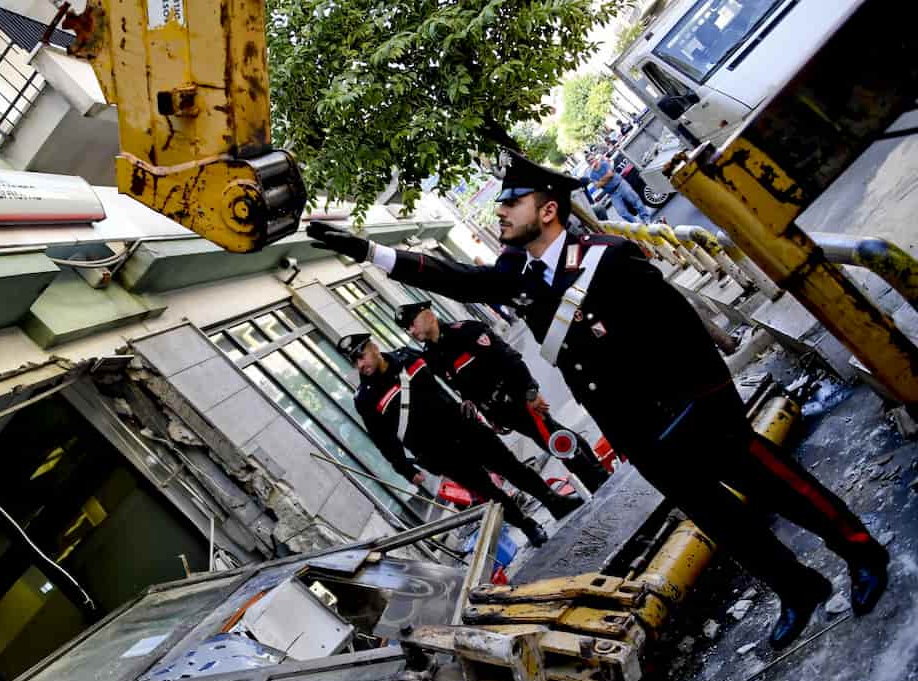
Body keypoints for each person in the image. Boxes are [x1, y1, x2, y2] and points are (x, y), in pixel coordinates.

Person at [307, 155, 890, 650]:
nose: (500, 214)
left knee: (774, 483)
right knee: (721, 520)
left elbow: (682, 328)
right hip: (638, 432)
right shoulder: (520, 272)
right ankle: (796, 587)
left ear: (548, 209)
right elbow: (461, 279)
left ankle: (860, 551)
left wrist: (714, 404)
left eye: (511, 204)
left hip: (691, 410)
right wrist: (368, 251)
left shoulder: (607, 260)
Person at [336, 333, 588, 546]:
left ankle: (554, 502)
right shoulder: (365, 399)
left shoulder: (408, 357)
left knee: (512, 467)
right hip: (438, 451)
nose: (360, 364)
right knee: (487, 491)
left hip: (465, 426)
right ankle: (528, 526)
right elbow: (383, 440)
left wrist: (473, 399)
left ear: (374, 347)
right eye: (353, 361)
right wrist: (405, 469)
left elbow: (449, 374)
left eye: (361, 355)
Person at [396, 300, 611, 492]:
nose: (411, 330)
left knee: (552, 439)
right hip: (502, 412)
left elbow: (509, 359)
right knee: (552, 435)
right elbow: (466, 390)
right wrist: (491, 417)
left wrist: (530, 391)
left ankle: (597, 479)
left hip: (518, 397)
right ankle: (596, 472)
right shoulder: (432, 357)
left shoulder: (467, 332)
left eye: (412, 323)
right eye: (406, 329)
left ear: (429, 314)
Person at [588, 150, 652, 224]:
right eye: (589, 161)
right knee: (621, 212)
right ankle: (638, 223)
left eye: (591, 159)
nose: (591, 161)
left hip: (621, 185)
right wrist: (605, 179)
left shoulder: (604, 164)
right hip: (612, 193)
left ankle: (646, 219)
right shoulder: (592, 174)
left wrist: (601, 181)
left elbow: (611, 175)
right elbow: (597, 186)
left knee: (635, 202)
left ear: (595, 159)